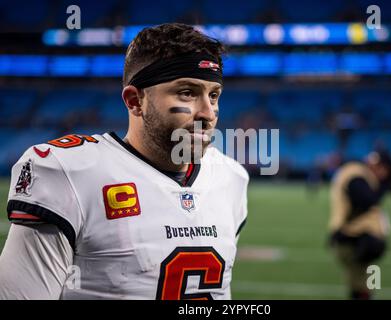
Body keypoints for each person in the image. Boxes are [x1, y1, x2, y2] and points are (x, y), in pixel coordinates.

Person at [0, 23, 249, 300]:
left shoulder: (230, 177)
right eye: (187, 93)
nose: (208, 112)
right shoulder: (71, 174)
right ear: (134, 101)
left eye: (214, 95)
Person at [328, 150, 391, 300]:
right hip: (351, 238)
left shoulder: (360, 174)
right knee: (364, 285)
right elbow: (366, 200)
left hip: (353, 236)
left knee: (363, 285)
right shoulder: (356, 174)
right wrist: (386, 186)